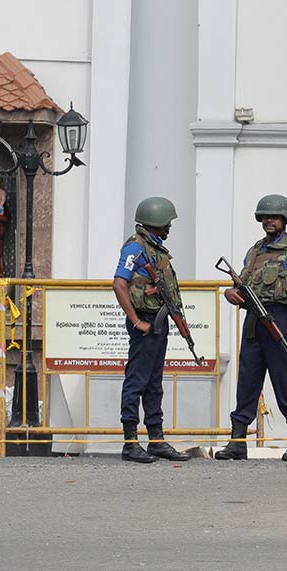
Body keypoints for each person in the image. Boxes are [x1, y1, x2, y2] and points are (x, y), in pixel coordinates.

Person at [216, 193, 287, 463]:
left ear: (285, 220)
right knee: (247, 379)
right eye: (265, 217)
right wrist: (231, 294)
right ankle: (237, 442)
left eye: (274, 217)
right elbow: (239, 285)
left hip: (279, 319)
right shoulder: (254, 252)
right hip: (253, 320)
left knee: (285, 379)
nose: (269, 221)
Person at [111, 196, 192, 464]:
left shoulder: (155, 249)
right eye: (166, 223)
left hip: (158, 321)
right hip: (145, 322)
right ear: (155, 223)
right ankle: (131, 442)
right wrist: (136, 321)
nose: (169, 228)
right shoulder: (136, 248)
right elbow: (119, 284)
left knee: (154, 382)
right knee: (137, 380)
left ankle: (156, 439)